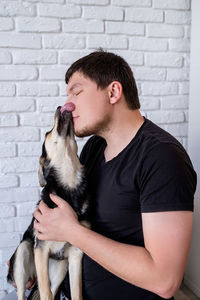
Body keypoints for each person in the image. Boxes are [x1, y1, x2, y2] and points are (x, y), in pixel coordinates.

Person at [12, 50, 197, 300]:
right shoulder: (94, 148)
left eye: (76, 92)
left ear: (113, 92)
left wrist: (73, 232)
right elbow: (64, 212)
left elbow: (164, 280)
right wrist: (34, 253)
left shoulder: (163, 158)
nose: (68, 104)